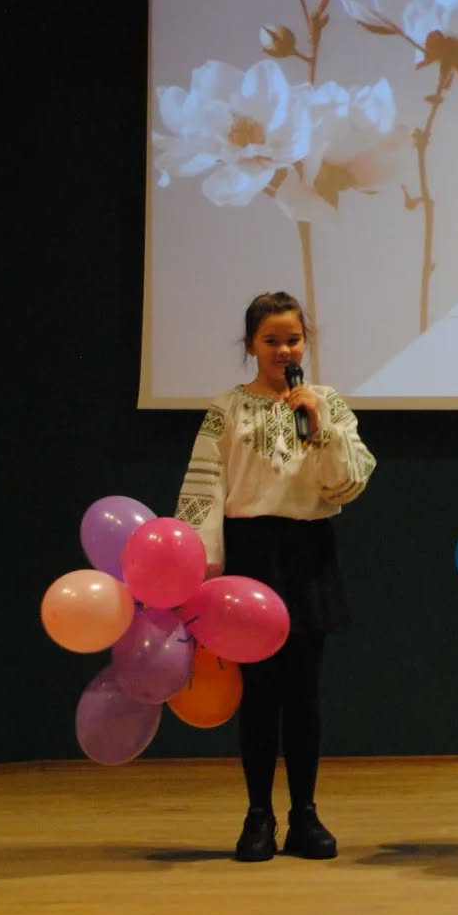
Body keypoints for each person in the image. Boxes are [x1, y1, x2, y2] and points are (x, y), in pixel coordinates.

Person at [176, 291, 375, 861]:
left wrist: (320, 426)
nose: (283, 350)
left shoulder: (327, 403)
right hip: (250, 554)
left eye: (293, 340)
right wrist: (201, 568)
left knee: (304, 692)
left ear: (305, 343)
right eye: (271, 341)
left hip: (307, 551)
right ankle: (257, 814)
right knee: (260, 691)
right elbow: (204, 487)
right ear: (250, 345)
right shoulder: (227, 408)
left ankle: (305, 814)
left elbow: (348, 483)